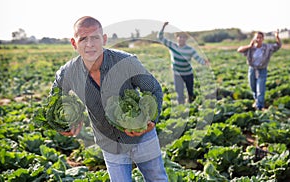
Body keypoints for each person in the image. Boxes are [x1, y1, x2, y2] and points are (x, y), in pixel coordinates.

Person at [51, 16, 168, 181]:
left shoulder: (126, 63)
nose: (90, 44)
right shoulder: (68, 73)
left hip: (142, 136)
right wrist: (63, 121)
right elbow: (55, 98)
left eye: (95, 38)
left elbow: (153, 89)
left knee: (157, 179)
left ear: (104, 39)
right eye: (83, 39)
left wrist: (150, 121)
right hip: (109, 142)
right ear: (74, 43)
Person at [158, 22, 209, 104]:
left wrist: (204, 62)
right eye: (180, 37)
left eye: (183, 37)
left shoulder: (190, 49)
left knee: (190, 92)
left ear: (186, 39)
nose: (181, 39)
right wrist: (163, 27)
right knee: (179, 93)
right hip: (177, 74)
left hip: (188, 73)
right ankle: (181, 108)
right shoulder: (172, 46)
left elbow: (197, 58)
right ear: (177, 38)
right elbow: (160, 38)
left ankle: (191, 106)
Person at [237, 30, 281, 110]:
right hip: (252, 69)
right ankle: (257, 101)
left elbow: (278, 46)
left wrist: (277, 36)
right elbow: (239, 50)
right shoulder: (251, 48)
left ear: (263, 39)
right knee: (253, 87)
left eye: (260, 38)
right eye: (257, 38)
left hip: (262, 70)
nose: (259, 39)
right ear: (254, 38)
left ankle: (259, 107)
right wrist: (249, 46)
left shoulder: (267, 47)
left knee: (260, 89)